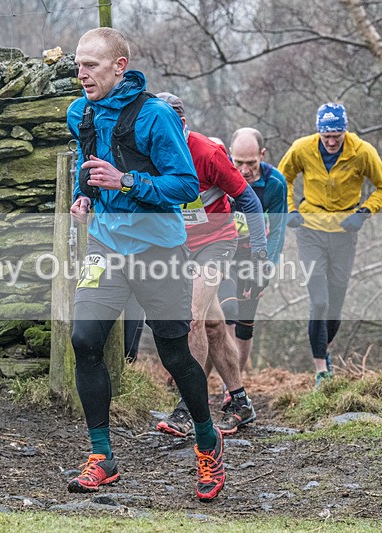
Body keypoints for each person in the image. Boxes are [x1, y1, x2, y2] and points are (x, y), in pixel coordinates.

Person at [66, 28, 224, 502]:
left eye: (91, 65)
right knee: (84, 339)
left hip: (158, 250)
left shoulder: (155, 116)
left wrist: (126, 181)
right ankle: (102, 457)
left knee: (175, 353)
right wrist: (84, 193)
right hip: (106, 247)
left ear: (120, 65)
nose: (81, 74)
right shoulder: (81, 112)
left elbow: (185, 187)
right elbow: (87, 163)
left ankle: (207, 442)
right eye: (77, 64)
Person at [152, 93, 268, 437]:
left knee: (192, 317)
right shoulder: (150, 151)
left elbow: (249, 199)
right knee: (215, 326)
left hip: (217, 242)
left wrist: (260, 252)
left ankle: (188, 409)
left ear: (183, 125)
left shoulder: (207, 152)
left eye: (169, 127)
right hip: (179, 247)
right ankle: (240, 402)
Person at [278, 103, 382, 386]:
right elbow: (282, 178)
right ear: (318, 131)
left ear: (345, 131)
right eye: (326, 135)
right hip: (310, 230)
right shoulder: (302, 148)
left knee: (335, 305)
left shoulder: (363, 151)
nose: (331, 141)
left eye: (337, 135)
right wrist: (290, 210)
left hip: (344, 232)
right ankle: (320, 370)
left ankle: (325, 351)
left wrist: (364, 213)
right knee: (319, 301)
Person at [224, 127, 288, 375]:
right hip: (223, 252)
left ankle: (235, 384)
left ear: (262, 155)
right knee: (223, 316)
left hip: (253, 256)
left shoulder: (275, 183)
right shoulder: (220, 171)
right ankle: (207, 382)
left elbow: (279, 230)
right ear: (230, 154)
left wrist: (266, 271)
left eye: (251, 163)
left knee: (244, 324)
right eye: (238, 162)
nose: (244, 170)